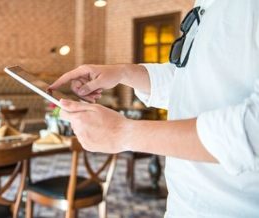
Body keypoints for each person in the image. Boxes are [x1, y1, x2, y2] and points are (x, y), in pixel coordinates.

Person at [48, 0, 259, 217]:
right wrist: (122, 72)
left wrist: (123, 133)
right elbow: (190, 81)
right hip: (183, 202)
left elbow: (253, 130)